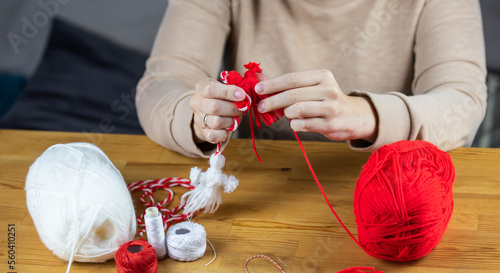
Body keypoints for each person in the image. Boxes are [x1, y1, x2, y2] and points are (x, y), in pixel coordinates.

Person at [136, 0, 486, 158]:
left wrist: (366, 114)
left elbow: (462, 103)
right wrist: (198, 118)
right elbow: (159, 87)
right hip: (262, 191)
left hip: (394, 185)